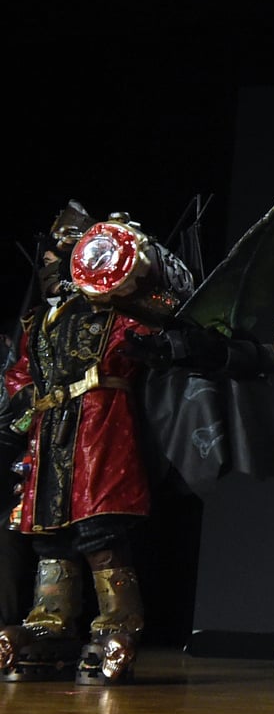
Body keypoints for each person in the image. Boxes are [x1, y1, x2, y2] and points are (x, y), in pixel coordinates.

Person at [0, 206, 190, 684]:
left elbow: (166, 317)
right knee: (50, 536)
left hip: (100, 424)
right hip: (49, 430)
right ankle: (50, 623)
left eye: (63, 253)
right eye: (48, 256)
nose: (52, 264)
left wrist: (138, 282)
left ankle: (117, 625)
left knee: (101, 534)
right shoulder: (39, 322)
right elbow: (21, 371)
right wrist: (24, 398)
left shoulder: (118, 311)